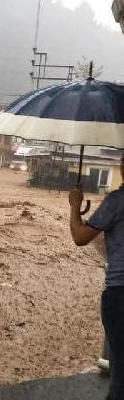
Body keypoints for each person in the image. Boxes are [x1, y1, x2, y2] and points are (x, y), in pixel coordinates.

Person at [69, 155, 124, 400]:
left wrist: (74, 206)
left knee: (121, 372)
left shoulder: (117, 201)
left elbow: (80, 237)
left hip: (120, 294)